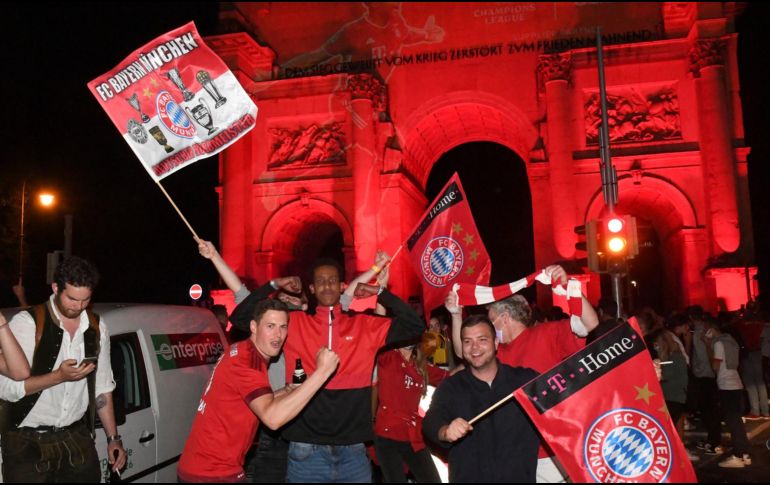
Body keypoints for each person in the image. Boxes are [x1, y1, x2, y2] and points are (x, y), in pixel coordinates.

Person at [230, 256, 424, 483]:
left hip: (353, 453)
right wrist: (274, 284)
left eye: (332, 280)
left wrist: (379, 292)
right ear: (311, 289)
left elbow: (415, 325)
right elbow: (241, 318)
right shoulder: (294, 323)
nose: (327, 285)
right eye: (320, 281)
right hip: (305, 452)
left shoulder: (365, 325)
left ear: (342, 286)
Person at [446, 264, 598, 483]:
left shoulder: (547, 334)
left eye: (490, 319)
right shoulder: (495, 351)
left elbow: (589, 324)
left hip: (549, 451)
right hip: (510, 453)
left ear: (504, 317)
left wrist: (568, 287)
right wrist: (455, 315)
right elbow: (464, 352)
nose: (488, 325)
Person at [177, 298, 339, 482]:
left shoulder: (243, 350)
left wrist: (288, 390)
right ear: (254, 327)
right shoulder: (247, 363)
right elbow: (272, 418)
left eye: (283, 327)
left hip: (203, 467)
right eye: (270, 326)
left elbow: (253, 401)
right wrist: (323, 372)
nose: (278, 335)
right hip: (211, 473)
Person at [0, 256, 126, 482]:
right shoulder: (28, 323)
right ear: (56, 288)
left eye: (85, 300)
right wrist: (58, 377)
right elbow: (8, 389)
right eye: (72, 298)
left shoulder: (97, 327)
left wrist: (113, 438)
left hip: (76, 437)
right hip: (26, 442)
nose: (78, 307)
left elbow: (103, 387)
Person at [422, 315, 540, 482]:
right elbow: (431, 420)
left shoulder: (524, 380)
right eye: (467, 342)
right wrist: (445, 431)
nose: (474, 347)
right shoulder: (451, 386)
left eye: (482, 339)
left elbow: (561, 407)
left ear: (496, 343)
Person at [372, 333, 448, 483]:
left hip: (413, 435)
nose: (408, 334)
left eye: (412, 331)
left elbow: (451, 377)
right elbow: (377, 334)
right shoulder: (387, 357)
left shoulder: (420, 365)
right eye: (405, 330)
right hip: (387, 434)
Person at [702, 317, 752, 468]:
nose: (704, 332)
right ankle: (744, 454)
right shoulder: (731, 340)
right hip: (736, 383)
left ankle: (738, 455)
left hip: (726, 385)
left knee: (733, 422)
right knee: (736, 421)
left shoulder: (718, 343)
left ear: (712, 329)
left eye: (706, 329)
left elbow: (715, 366)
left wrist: (707, 346)